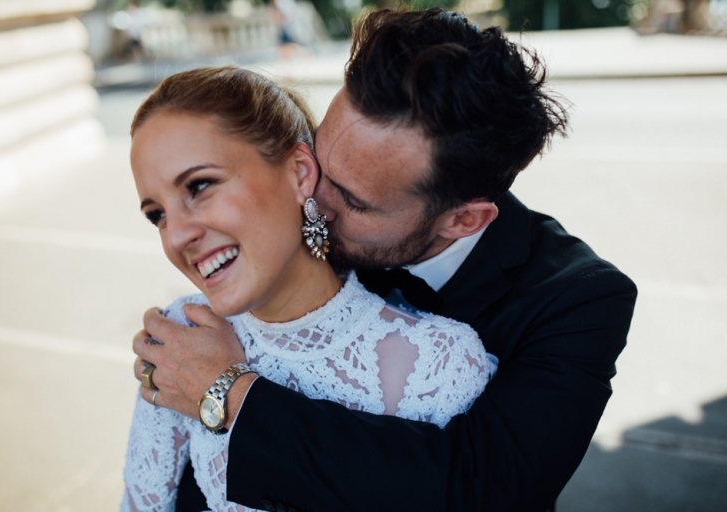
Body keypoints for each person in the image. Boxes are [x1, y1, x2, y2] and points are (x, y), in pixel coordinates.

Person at [133, 7, 637, 512]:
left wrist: (228, 393)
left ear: (462, 221)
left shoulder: (582, 301)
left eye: (353, 201)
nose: (311, 199)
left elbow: (483, 491)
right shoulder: (270, 255)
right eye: (316, 160)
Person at [121, 66, 493, 511]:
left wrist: (226, 390)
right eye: (156, 214)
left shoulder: (441, 363)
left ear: (299, 172)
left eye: (200, 186)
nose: (176, 235)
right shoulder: (182, 333)